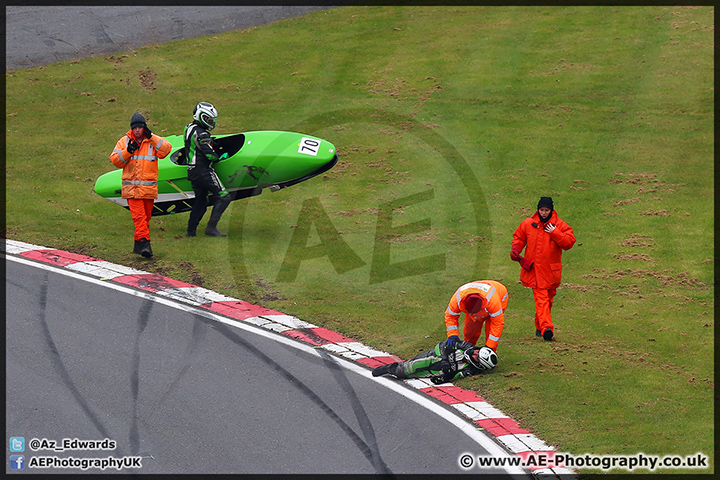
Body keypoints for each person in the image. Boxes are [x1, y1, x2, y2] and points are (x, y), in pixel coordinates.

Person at [511, 196, 576, 341]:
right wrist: (516, 249)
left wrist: (555, 232)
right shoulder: (528, 223)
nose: (544, 213)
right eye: (541, 210)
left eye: (546, 210)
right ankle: (547, 328)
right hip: (534, 270)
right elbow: (519, 238)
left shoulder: (559, 225)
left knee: (548, 300)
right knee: (541, 300)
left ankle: (539, 326)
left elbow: (569, 243)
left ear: (551, 210)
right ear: (538, 209)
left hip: (551, 272)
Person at [110, 112, 172, 257]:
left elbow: (166, 150)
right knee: (139, 219)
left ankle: (138, 245)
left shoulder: (153, 141)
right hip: (131, 189)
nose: (137, 130)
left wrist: (152, 137)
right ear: (131, 128)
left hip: (148, 190)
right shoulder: (124, 142)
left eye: (140, 127)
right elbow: (115, 161)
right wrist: (128, 152)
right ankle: (145, 245)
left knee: (145, 219)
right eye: (135, 127)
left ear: (144, 127)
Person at [184, 102, 232, 237]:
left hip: (191, 171)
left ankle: (190, 232)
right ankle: (211, 228)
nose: (212, 123)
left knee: (200, 201)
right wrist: (220, 156)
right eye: (209, 120)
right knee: (224, 197)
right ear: (202, 117)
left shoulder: (188, 128)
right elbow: (210, 155)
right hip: (203, 171)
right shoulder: (203, 134)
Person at [372, 339, 497, 384]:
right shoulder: (465, 345)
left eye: (476, 356)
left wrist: (444, 378)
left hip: (434, 371)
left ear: (479, 364)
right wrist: (444, 358)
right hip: (432, 357)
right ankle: (389, 368)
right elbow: (441, 345)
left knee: (406, 376)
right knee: (402, 370)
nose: (474, 352)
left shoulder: (469, 370)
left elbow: (455, 376)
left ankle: (393, 370)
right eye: (477, 351)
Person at [444, 280, 508, 352]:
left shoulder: (493, 302)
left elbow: (497, 323)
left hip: (500, 294)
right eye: (470, 313)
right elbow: (450, 316)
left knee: (490, 329)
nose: (472, 315)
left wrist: (490, 346)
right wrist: (452, 335)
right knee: (470, 331)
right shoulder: (457, 299)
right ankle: (467, 350)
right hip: (484, 291)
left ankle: (490, 353)